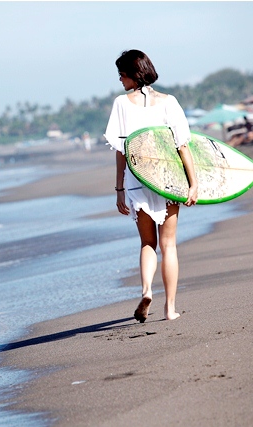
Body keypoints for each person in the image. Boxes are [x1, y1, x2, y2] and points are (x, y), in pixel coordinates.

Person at [104, 49, 198, 322]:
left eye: (122, 74)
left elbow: (121, 150)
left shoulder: (121, 104)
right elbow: (182, 146)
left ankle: (147, 290)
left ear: (134, 74)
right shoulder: (170, 102)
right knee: (169, 245)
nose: (120, 79)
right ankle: (170, 309)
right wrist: (193, 184)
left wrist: (119, 189)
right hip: (166, 180)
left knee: (147, 243)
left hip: (137, 180)